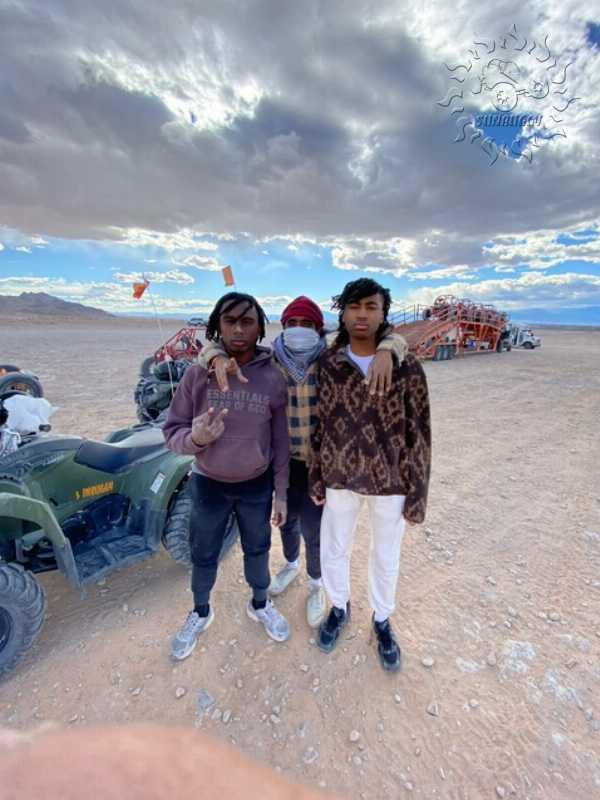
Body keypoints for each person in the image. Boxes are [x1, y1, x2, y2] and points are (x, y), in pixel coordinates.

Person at [199, 295, 408, 629]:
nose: (299, 330)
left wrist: (386, 350)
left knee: (315, 529)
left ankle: (316, 583)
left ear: (318, 328)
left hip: (319, 466)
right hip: (280, 462)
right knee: (286, 521)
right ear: (283, 326)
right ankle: (291, 564)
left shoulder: (334, 359)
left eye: (307, 324)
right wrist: (215, 355)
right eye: (293, 323)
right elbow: (211, 349)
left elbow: (391, 338)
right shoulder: (270, 360)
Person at [309, 278, 431, 672]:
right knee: (334, 548)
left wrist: (417, 494)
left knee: (386, 555)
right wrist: (316, 475)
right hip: (339, 477)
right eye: (354, 306)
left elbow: (420, 432)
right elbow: (318, 425)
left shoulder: (407, 366)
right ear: (342, 313)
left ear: (383, 314)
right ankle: (339, 607)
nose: (362, 314)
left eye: (371, 306)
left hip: (389, 481)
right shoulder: (329, 365)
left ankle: (382, 619)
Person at [163, 292, 290, 659]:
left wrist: (281, 493)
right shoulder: (197, 375)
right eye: (230, 321)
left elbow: (281, 441)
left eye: (247, 322)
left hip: (255, 485)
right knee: (203, 553)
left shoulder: (273, 378)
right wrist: (196, 440)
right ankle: (201, 611)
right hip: (208, 484)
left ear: (260, 328)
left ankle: (260, 603)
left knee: (258, 548)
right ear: (217, 326)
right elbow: (172, 431)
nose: (238, 329)